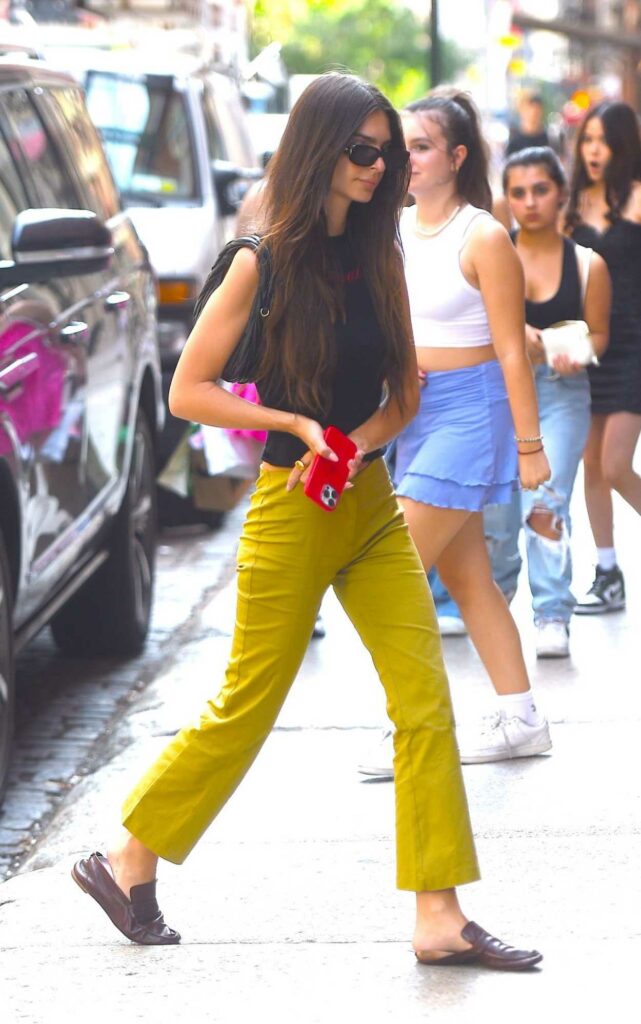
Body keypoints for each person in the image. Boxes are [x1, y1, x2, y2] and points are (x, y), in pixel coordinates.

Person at [71, 73, 542, 969]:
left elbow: (405, 394)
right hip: (290, 508)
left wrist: (353, 446)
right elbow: (188, 390)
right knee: (247, 705)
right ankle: (128, 855)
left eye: (389, 152)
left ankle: (438, 915)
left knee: (423, 701)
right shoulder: (262, 259)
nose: (378, 168)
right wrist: (294, 427)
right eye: (361, 151)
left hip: (362, 503)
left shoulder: (381, 255)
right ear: (318, 150)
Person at [395, 90, 552, 764]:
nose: (406, 159)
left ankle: (414, 729)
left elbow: (512, 349)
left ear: (457, 156)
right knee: (467, 580)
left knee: (393, 569)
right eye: (400, 147)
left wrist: (529, 446)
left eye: (421, 146)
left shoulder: (482, 234)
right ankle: (521, 719)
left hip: (472, 408)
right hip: (414, 411)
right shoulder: (395, 228)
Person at [499, 146, 610, 655]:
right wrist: (512, 330)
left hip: (563, 393)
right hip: (500, 392)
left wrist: (576, 349)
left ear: (561, 193)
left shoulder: (588, 263)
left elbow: (602, 336)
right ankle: (493, 599)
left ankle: (551, 612)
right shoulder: (493, 254)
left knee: (546, 498)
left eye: (540, 189)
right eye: (518, 192)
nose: (530, 202)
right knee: (498, 510)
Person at [566, 101, 641, 613]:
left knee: (615, 464)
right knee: (592, 464)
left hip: (635, 343)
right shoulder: (570, 204)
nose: (595, 149)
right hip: (587, 344)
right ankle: (608, 572)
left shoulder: (637, 198)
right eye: (588, 138)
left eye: (604, 140)